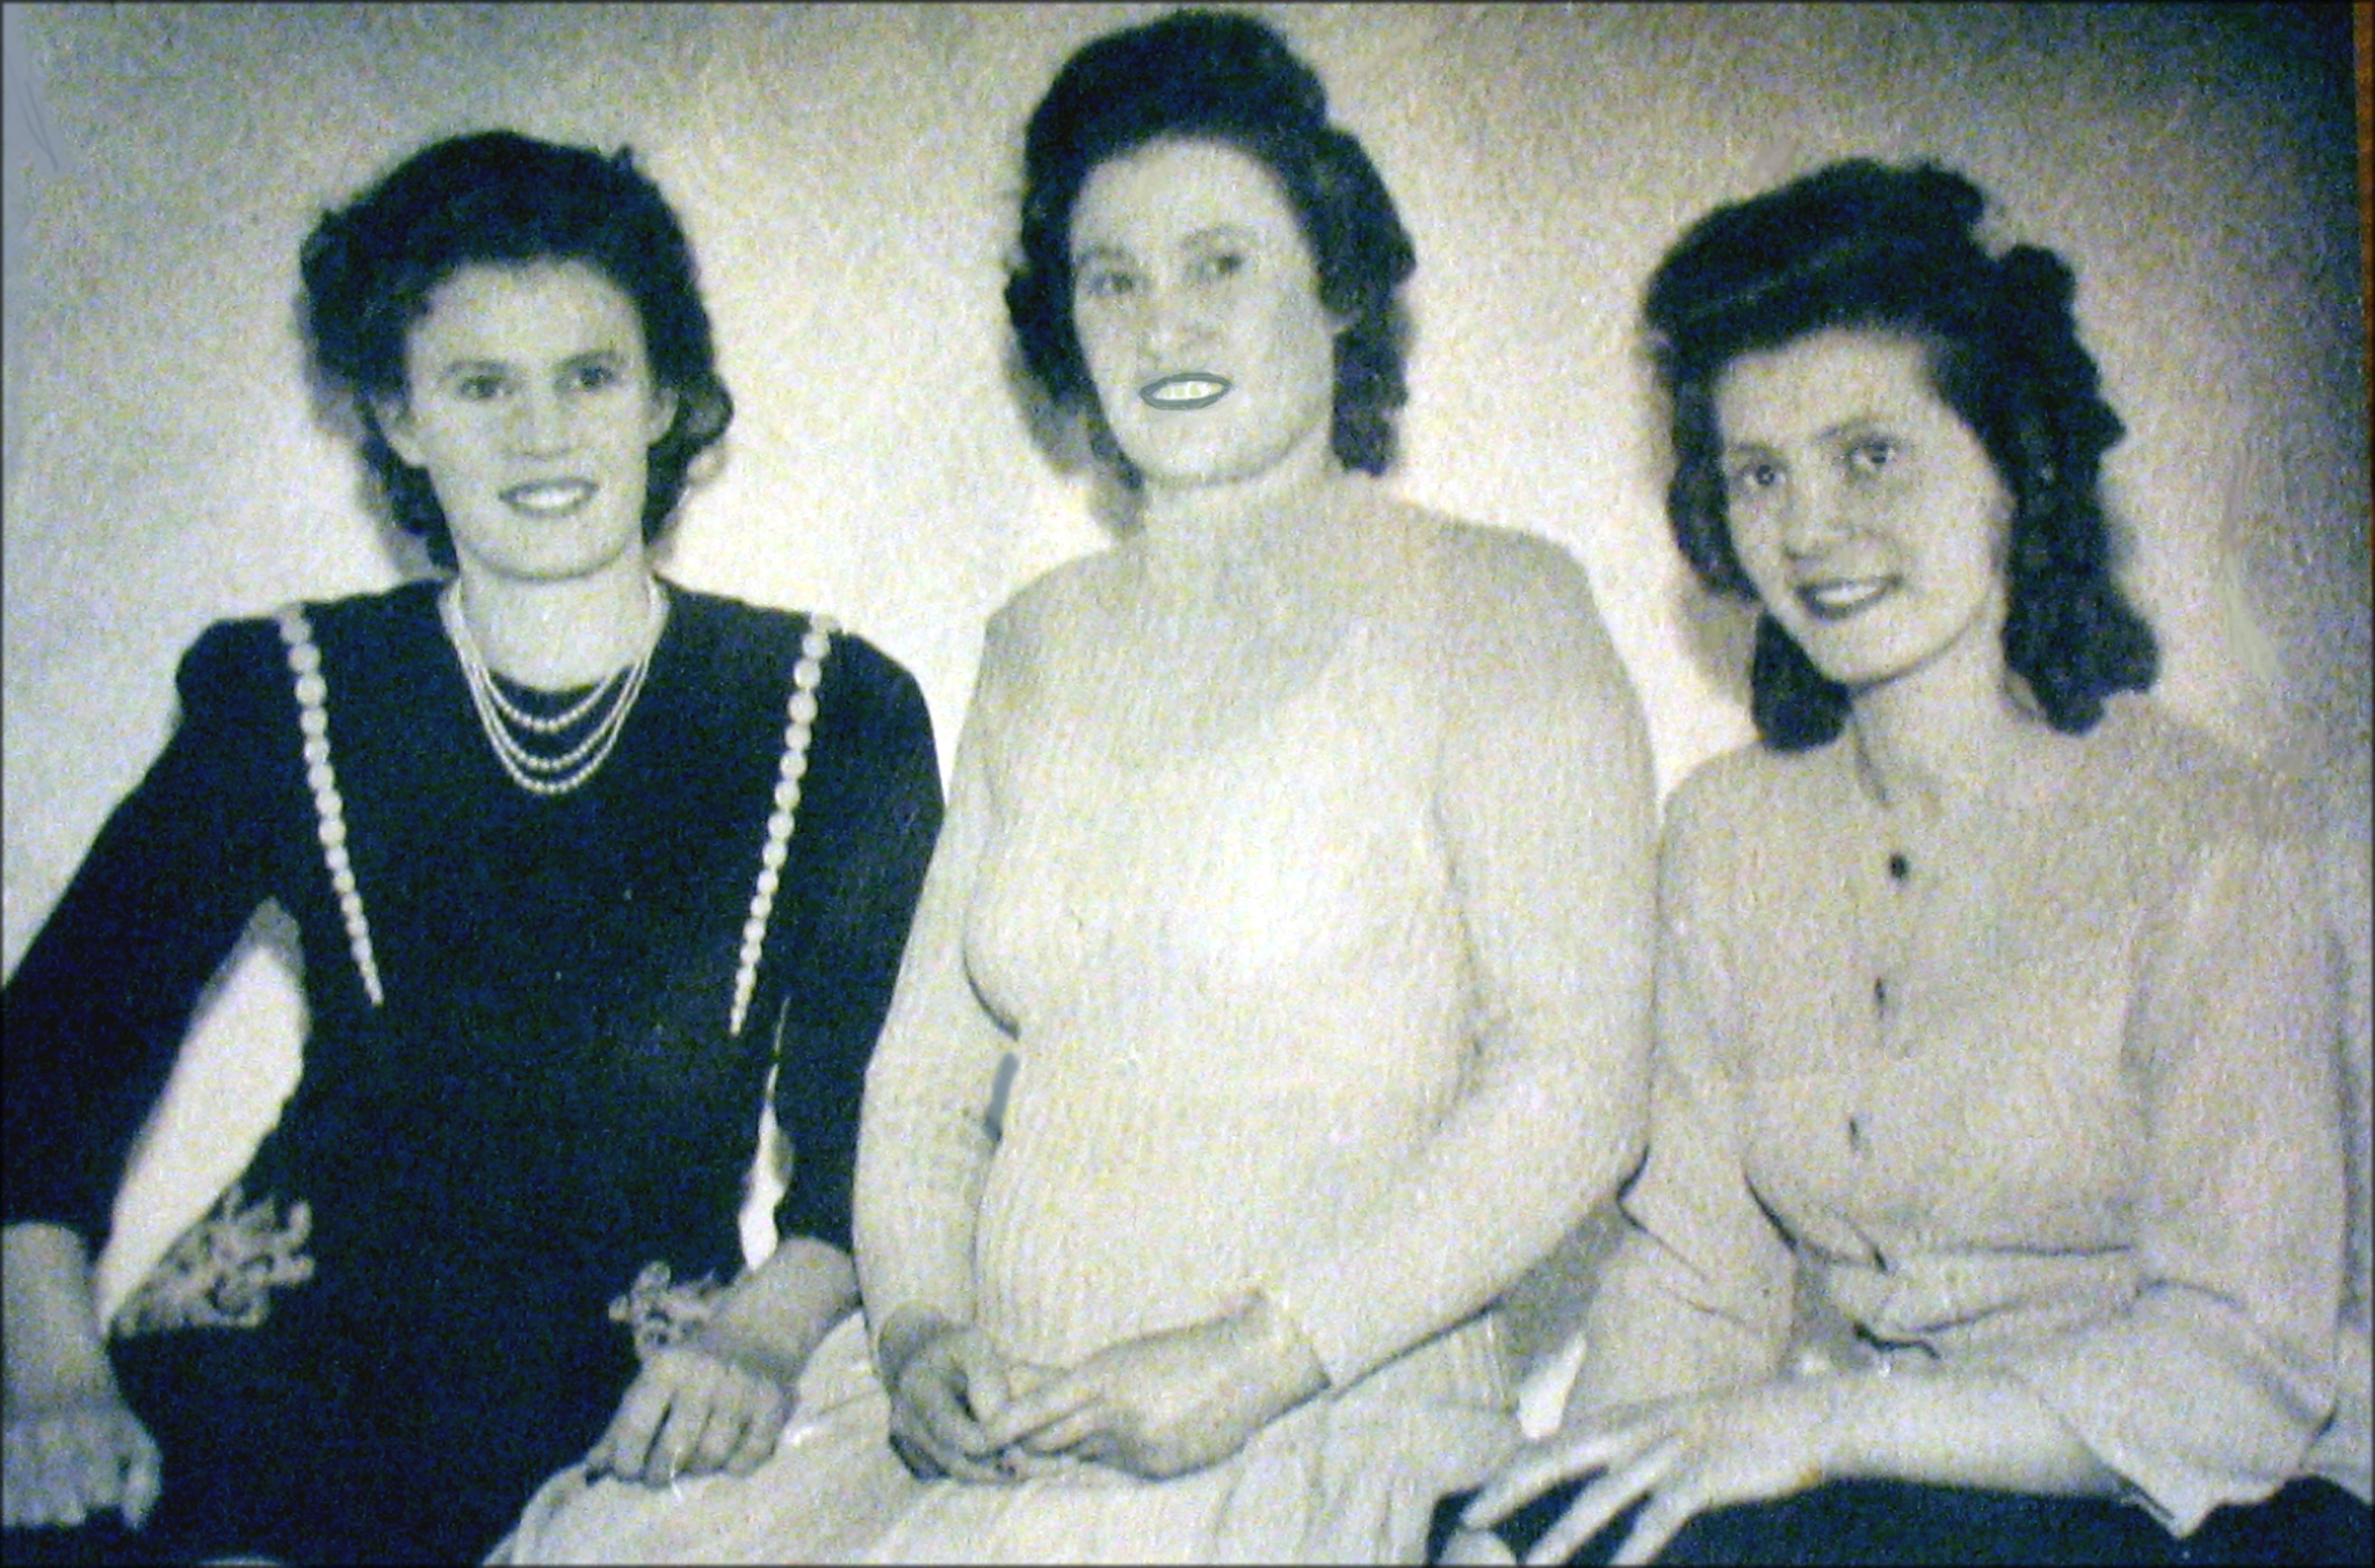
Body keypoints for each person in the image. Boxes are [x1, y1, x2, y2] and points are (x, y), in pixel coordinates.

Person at [499, 10, 1657, 1563]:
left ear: (1338, 286)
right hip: (988, 1449)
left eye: (1221, 263)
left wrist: (1259, 1356)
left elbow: (1579, 1086)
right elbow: (921, 1086)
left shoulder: (1498, 602)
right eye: (1113, 280)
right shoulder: (1038, 643)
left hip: (1325, 1433)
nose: (1163, 323)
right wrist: (915, 1340)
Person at [1, 130, 943, 1564]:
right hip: (279, 1368)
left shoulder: (833, 708)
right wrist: (54, 1383)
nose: (540, 433)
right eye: (479, 385)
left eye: (588, 377)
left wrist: (758, 1344)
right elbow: (54, 1052)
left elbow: (889, 1128)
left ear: (666, 401)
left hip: (642, 1385)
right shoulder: (294, 690)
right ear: (397, 417)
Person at [1439, 159, 2371, 1565]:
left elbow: (2240, 1361)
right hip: (1911, 1500)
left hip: (2222, 1505)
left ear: (2017, 463)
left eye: (1869, 454)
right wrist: (1558, 1511)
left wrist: (1822, 1429)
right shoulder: (1724, 834)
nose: (1808, 530)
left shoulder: (2207, 830)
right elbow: (1698, 1271)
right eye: (1759, 475)